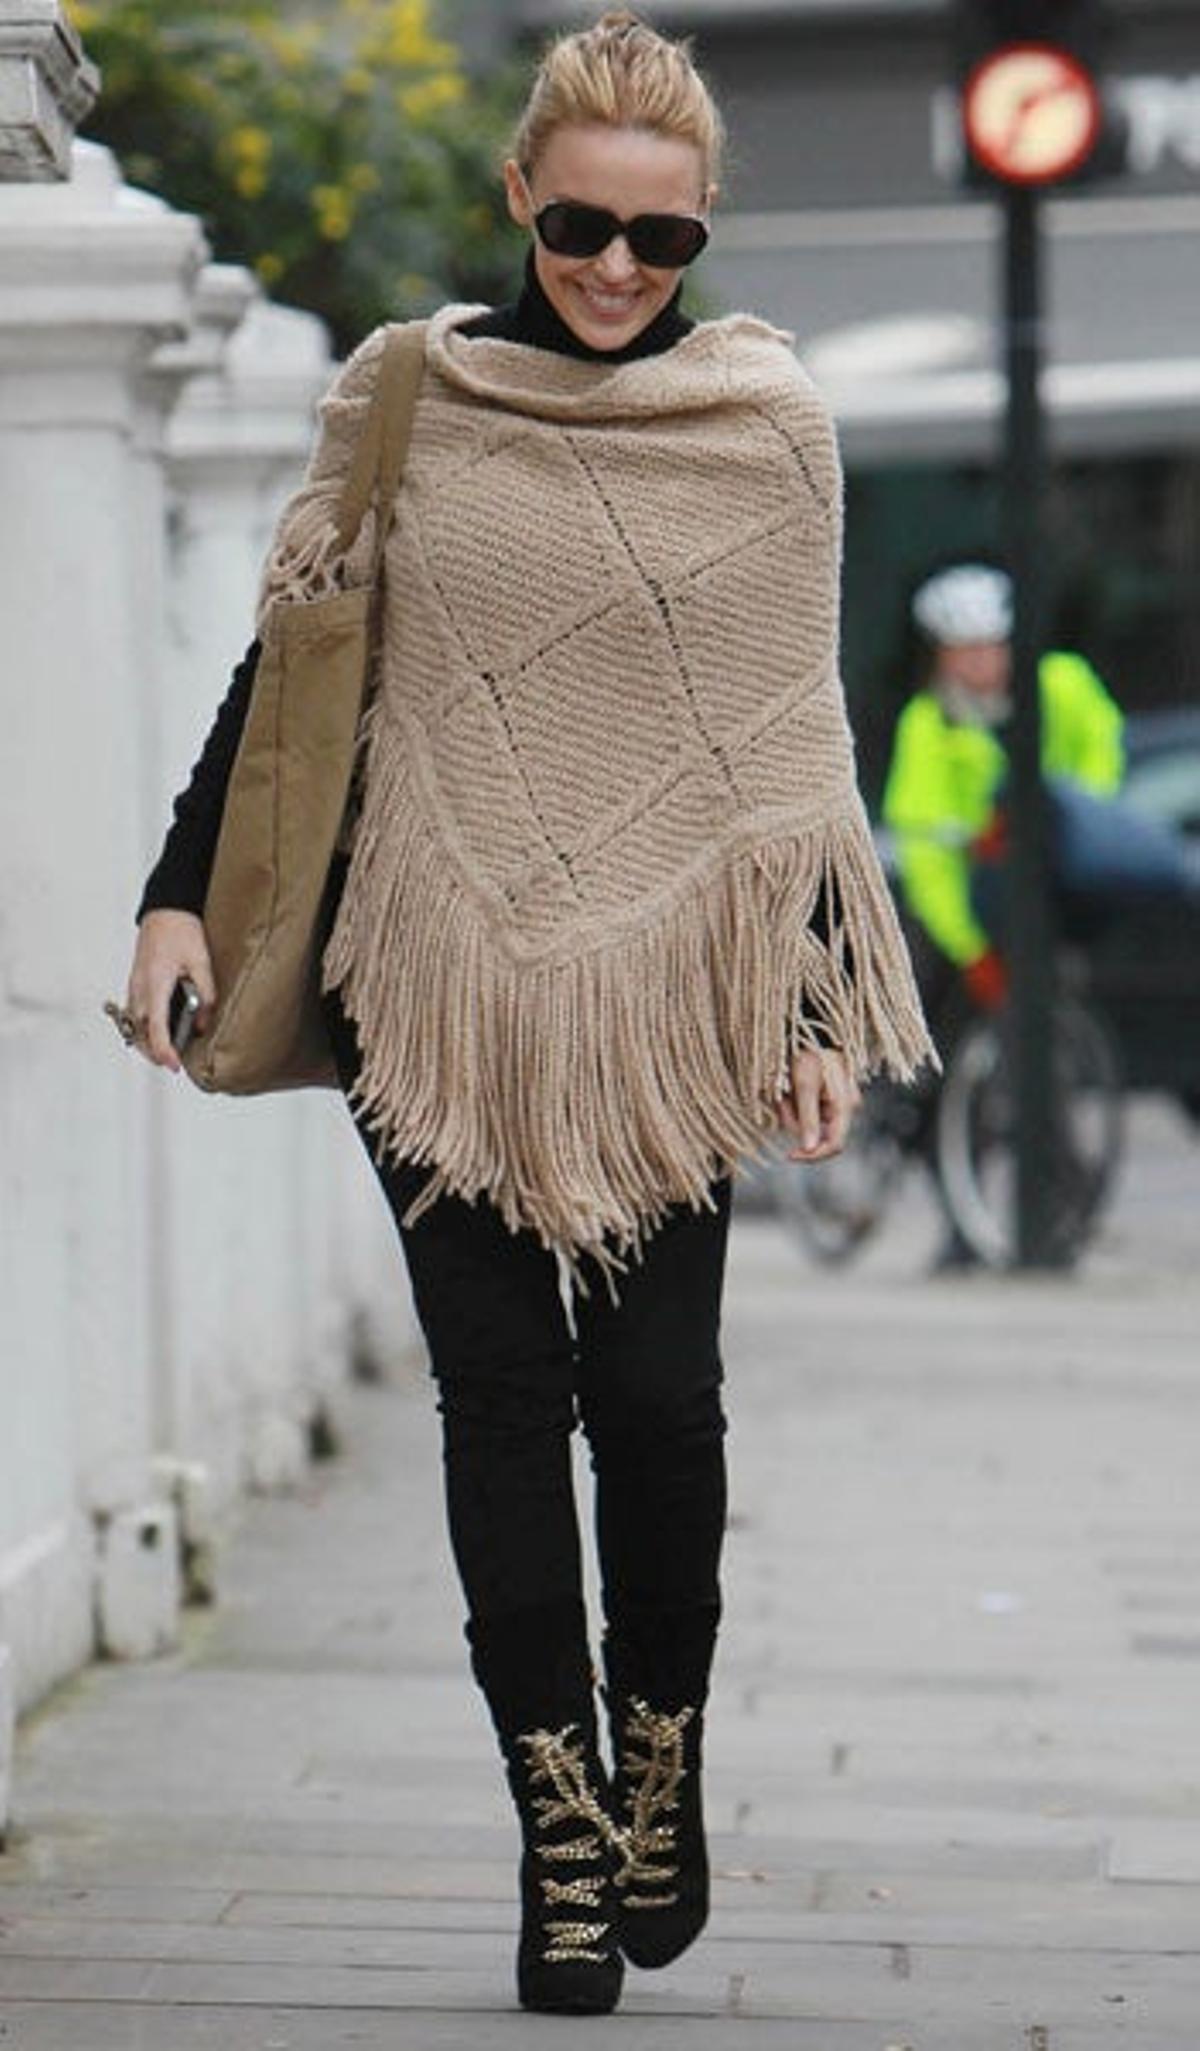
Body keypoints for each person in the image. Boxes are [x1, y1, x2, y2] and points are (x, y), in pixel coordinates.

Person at [121, 9, 933, 2017]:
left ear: (706, 225)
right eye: (580, 225)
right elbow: (296, 672)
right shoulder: (411, 394)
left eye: (662, 237)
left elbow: (788, 751)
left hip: (668, 994)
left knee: (655, 1397)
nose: (616, 269)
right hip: (432, 968)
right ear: (519, 196)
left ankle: (660, 1755)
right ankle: (559, 1828)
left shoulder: (768, 425)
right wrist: (173, 892)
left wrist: (812, 1004)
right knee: (502, 1394)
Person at [883, 561, 1125, 1019]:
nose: (981, 661)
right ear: (942, 654)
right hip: (982, 898)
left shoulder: (1064, 683)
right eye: (965, 649)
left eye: (992, 645)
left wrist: (1068, 813)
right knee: (928, 985)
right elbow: (924, 850)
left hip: (1064, 874)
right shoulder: (926, 725)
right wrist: (971, 949)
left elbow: (1104, 751)